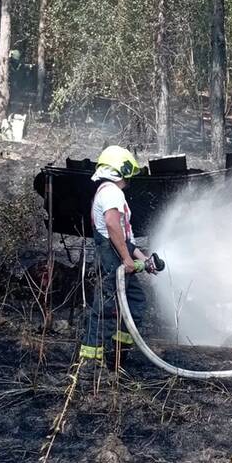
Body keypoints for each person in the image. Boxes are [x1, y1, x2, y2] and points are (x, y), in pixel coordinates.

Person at [79, 145, 158, 369]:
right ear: (119, 170)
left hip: (117, 255)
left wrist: (142, 258)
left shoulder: (109, 192)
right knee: (104, 308)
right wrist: (126, 259)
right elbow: (112, 225)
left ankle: (117, 357)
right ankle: (90, 365)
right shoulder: (112, 192)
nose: (129, 179)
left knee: (134, 303)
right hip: (112, 258)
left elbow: (123, 235)